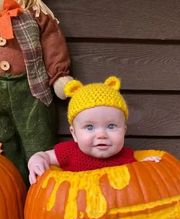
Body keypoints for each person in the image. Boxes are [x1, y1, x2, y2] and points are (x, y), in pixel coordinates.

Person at [28, 76, 161, 184]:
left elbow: (140, 178)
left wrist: (147, 165)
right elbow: (44, 156)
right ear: (74, 134)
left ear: (124, 131)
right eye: (89, 127)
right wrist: (36, 161)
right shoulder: (69, 152)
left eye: (111, 126)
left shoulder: (127, 158)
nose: (101, 135)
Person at [0, 0, 73, 184]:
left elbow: (52, 44)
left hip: (33, 91)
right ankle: (16, 193)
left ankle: (41, 193)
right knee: (7, 146)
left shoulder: (35, 12)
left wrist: (59, 75)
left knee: (39, 142)